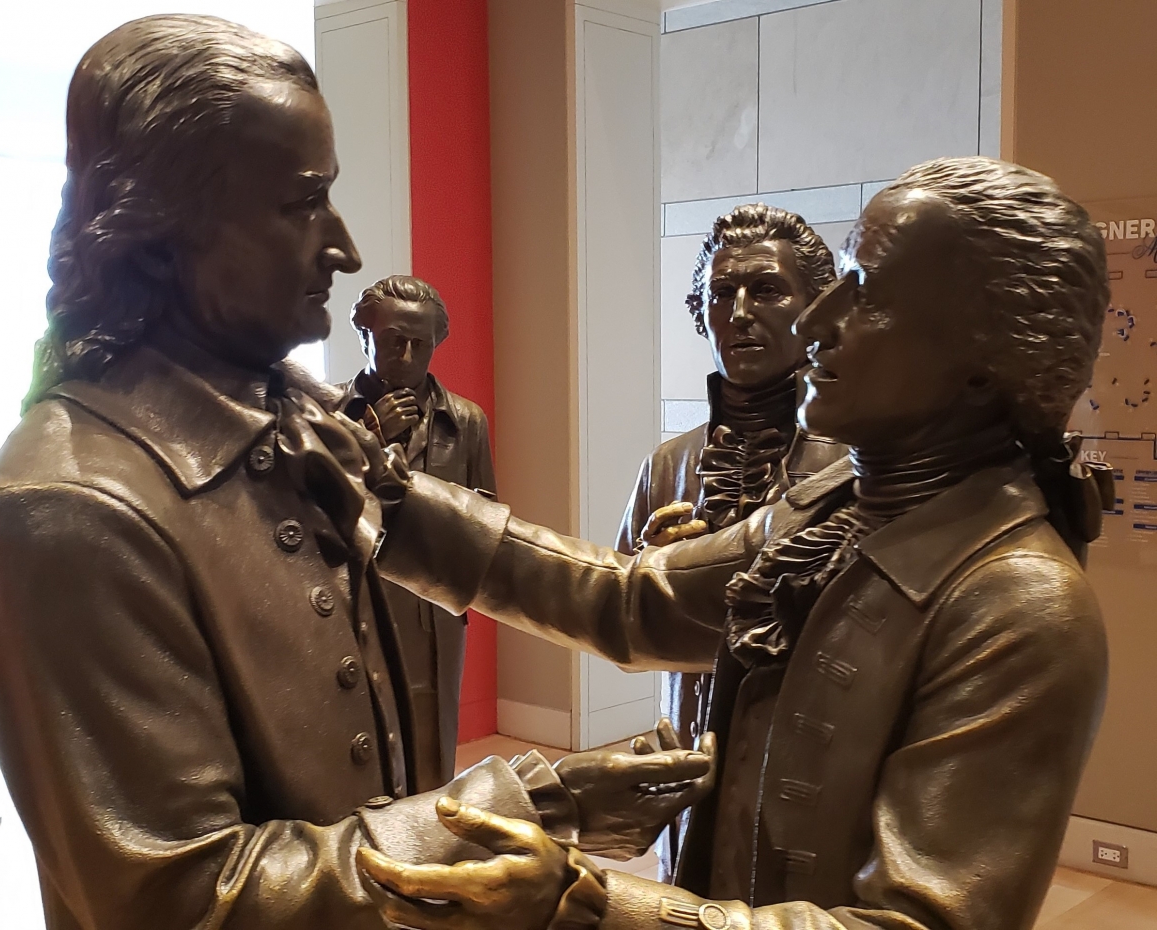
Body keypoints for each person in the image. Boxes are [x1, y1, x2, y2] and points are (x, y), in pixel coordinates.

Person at [0, 16, 712, 929]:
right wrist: (536, 805)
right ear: (161, 232)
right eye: (300, 205)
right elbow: (183, 898)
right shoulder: (70, 507)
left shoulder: (302, 421)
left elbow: (562, 581)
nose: (346, 248)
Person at [358, 156, 1114, 930]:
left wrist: (587, 906)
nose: (819, 323)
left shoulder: (1021, 605)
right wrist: (386, 497)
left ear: (983, 364)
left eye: (869, 298)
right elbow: (628, 599)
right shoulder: (830, 512)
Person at [616, 205, 844, 876]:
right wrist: (653, 562)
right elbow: (617, 604)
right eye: (722, 292)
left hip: (805, 754)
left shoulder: (855, 462)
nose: (740, 310)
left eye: (766, 289)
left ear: (817, 307)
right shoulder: (670, 463)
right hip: (690, 740)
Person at [345, 275, 496, 789]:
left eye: (421, 345)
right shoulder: (329, 416)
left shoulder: (466, 422)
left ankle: (429, 838)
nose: (407, 355)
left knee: (432, 739)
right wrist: (366, 439)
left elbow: (486, 513)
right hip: (357, 601)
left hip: (433, 608)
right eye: (393, 341)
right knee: (360, 727)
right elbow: (304, 512)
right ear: (365, 336)